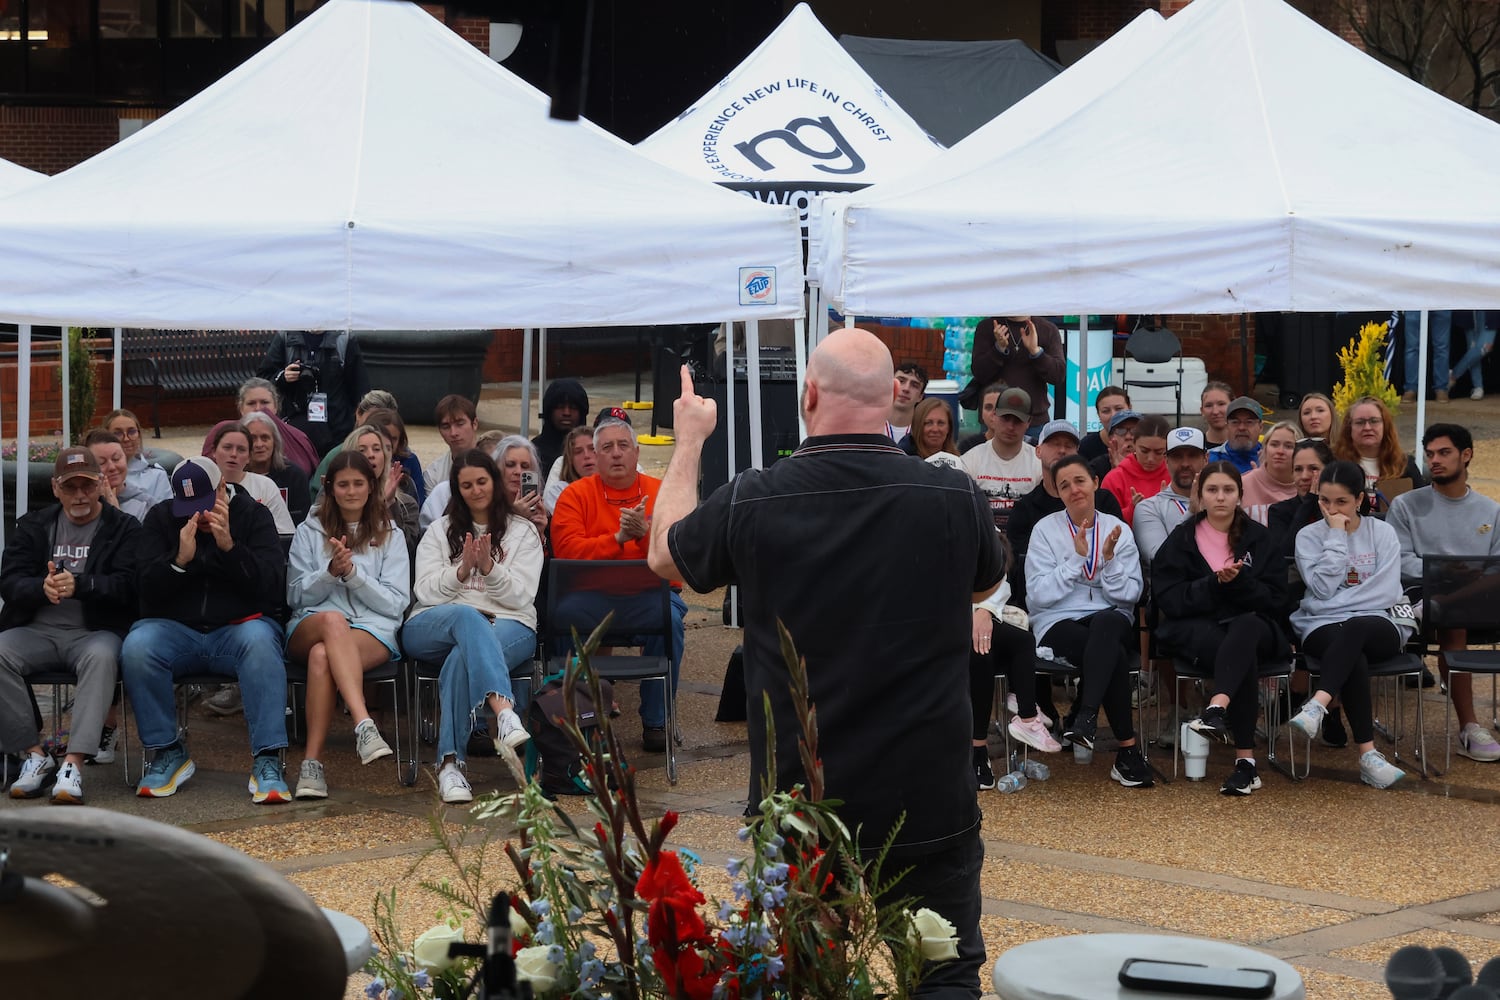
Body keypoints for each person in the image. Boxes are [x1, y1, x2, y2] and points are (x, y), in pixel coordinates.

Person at [648, 331, 1005, 999]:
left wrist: (691, 439)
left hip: (803, 796)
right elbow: (984, 582)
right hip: (926, 790)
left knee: (807, 979)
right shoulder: (951, 496)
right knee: (944, 976)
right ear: (894, 402)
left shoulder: (755, 497)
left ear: (808, 395)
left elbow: (667, 558)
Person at [123, 457, 290, 802]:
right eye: (188, 507)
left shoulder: (253, 515)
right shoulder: (161, 518)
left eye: (204, 503)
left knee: (261, 643)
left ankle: (267, 759)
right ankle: (168, 751)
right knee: (138, 645)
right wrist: (178, 562)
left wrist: (230, 548)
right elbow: (142, 590)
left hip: (237, 629)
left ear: (221, 489)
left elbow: (272, 587)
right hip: (175, 630)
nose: (196, 516)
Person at [0, 449, 140, 804]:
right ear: (55, 488)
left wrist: (83, 585)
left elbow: (131, 585)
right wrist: (39, 588)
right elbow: (9, 580)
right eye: (71, 487)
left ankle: (73, 764)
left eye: (87, 486)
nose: (79, 495)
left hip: (94, 633)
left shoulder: (123, 528)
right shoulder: (34, 525)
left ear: (101, 484)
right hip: (38, 631)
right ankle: (35, 755)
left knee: (102, 657)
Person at [403, 450, 542, 804]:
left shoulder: (523, 531)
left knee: (459, 660)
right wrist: (461, 571)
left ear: (494, 482)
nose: (476, 490)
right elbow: (425, 591)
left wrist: (490, 569)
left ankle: (450, 765)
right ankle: (504, 714)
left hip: (510, 624)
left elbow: (522, 596)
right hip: (438, 622)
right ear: (457, 489)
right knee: (467, 617)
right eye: (466, 485)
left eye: (482, 481)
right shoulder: (439, 531)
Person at [552, 417, 686, 753]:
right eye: (607, 448)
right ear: (595, 457)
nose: (615, 454)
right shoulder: (575, 495)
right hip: (589, 598)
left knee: (671, 622)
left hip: (649, 596)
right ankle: (577, 717)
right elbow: (568, 552)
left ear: (636, 452)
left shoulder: (661, 492)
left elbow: (678, 556)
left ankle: (656, 722)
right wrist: (618, 539)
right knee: (559, 620)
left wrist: (642, 536)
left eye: (623, 446)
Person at [1155, 463, 1289, 796]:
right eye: (1212, 490)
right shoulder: (1181, 539)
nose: (1220, 497)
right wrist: (1212, 584)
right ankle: (1246, 763)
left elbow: (1277, 599)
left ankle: (1216, 708)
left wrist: (1241, 583)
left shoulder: (1260, 538)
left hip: (1258, 627)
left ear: (1240, 496)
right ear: (1199, 496)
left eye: (1228, 490)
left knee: (1244, 629)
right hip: (1200, 630)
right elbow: (1169, 598)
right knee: (1240, 655)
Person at [285, 452, 410, 799]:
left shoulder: (391, 534)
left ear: (371, 487)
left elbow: (396, 603)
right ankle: (362, 722)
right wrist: (329, 574)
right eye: (343, 484)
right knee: (332, 621)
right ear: (330, 488)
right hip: (310, 623)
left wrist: (353, 576)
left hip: (372, 629)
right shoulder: (308, 531)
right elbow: (295, 596)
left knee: (323, 657)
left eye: (359, 483)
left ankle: (312, 765)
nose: (351, 491)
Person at [1024, 454, 1150, 787]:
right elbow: (1037, 595)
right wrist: (1076, 560)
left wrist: (1107, 563)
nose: (1074, 490)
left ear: (1095, 482)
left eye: (1079, 481)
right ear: (1057, 493)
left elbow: (1130, 595)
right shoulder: (1045, 530)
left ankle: (1086, 716)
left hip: (1109, 618)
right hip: (1058, 621)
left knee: (1108, 626)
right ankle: (1126, 753)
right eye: (1064, 485)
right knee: (1113, 656)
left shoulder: (1117, 528)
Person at [1287, 461, 1411, 789]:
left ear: (1359, 499)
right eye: (1324, 501)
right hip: (1322, 625)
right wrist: (1337, 537)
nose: (1331, 509)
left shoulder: (1382, 532)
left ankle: (1318, 703)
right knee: (1352, 652)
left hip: (1379, 622)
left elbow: (1385, 591)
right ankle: (1368, 755)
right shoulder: (1308, 537)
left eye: (1341, 502)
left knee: (1354, 627)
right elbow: (1322, 589)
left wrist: (1344, 607)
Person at [1387, 423, 1500, 762]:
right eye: (1430, 454)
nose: (1434, 460)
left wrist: (1468, 576)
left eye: (1444, 453)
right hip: (1424, 593)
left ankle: (1445, 603)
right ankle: (1469, 726)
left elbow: (1497, 564)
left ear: (1466, 455)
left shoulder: (1491, 510)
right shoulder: (1406, 505)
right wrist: (1445, 571)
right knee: (1454, 622)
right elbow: (1398, 559)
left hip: (1480, 594)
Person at [1007, 420, 1123, 619]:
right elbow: (1024, 571)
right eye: (1053, 444)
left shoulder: (1102, 500)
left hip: (1105, 605)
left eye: (1068, 445)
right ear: (1038, 451)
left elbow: (1121, 552)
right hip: (1051, 610)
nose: (1061, 450)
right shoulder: (1024, 509)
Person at [971, 560, 1061, 789]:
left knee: (1022, 640)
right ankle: (977, 750)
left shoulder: (982, 528)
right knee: (982, 653)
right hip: (942, 620)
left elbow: (1001, 581)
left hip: (980, 614)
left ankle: (1027, 716)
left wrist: (985, 610)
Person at [258, 329, 371, 456]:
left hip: (337, 428)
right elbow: (263, 381)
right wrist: (283, 377)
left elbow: (359, 387)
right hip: (295, 430)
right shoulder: (286, 337)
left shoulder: (343, 339)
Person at [959, 385, 1042, 534]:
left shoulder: (1039, 463)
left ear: (1029, 422)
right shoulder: (970, 460)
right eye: (1006, 418)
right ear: (994, 416)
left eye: (1018, 420)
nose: (1011, 426)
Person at [969, 315, 1065, 433]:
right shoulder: (988, 327)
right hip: (995, 418)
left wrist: (1036, 352)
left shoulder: (1047, 329)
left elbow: (1058, 375)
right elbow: (979, 373)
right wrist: (999, 349)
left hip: (1033, 420)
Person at [205, 377, 319, 476]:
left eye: (264, 402)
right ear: (241, 408)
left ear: (276, 406)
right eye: (251, 403)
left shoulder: (297, 437)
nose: (258, 408)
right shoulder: (223, 432)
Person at [1331, 395, 1425, 510]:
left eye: (1374, 421)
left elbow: (1422, 507)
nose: (1367, 427)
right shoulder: (1334, 463)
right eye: (1360, 422)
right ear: (1349, 428)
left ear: (1385, 426)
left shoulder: (1404, 465)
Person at [346, 423, 421, 564]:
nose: (371, 455)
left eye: (376, 449)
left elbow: (407, 549)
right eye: (362, 450)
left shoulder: (406, 503)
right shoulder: (333, 495)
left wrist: (388, 504)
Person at [205, 421, 296, 535]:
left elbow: (285, 534)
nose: (233, 454)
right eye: (227, 447)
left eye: (241, 449)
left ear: (249, 457)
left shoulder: (265, 486)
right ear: (214, 451)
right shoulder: (201, 483)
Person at [1133, 427, 1207, 565]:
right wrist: (1191, 513)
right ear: (1166, 460)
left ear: (1206, 459)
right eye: (1177, 456)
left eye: (1192, 456)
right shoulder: (1149, 508)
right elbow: (1157, 559)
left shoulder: (1220, 501)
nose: (1185, 464)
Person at [242, 411, 312, 528]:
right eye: (252, 438)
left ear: (275, 442)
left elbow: (303, 522)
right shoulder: (235, 476)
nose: (259, 444)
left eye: (265, 438)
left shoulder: (295, 476)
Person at [1101, 413, 1171, 526]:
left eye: (1159, 452)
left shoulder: (1174, 475)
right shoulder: (1115, 479)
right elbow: (1105, 524)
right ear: (1134, 444)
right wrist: (1132, 510)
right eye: (1144, 451)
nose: (1150, 459)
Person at [83, 428, 154, 522]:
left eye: (116, 458)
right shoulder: (79, 503)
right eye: (101, 462)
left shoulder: (146, 505)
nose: (112, 467)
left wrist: (115, 515)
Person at [105, 408, 172, 507]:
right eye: (118, 433)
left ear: (139, 435)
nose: (126, 438)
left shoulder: (157, 475)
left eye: (131, 432)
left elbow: (166, 517)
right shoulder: (99, 475)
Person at [1240, 421, 1300, 522]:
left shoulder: (1306, 488)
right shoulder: (1242, 485)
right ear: (1265, 449)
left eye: (1289, 446)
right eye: (1274, 444)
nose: (1280, 451)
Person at [531, 378, 589, 483]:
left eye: (573, 407)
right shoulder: (534, 451)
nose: (566, 412)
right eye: (560, 407)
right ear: (549, 411)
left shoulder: (592, 450)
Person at [424, 394, 480, 495]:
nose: (453, 433)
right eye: (446, 426)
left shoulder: (497, 461)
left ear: (474, 424)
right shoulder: (434, 474)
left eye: (460, 424)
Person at [1401, 310, 1453, 404]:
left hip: (1441, 300)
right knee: (1412, 347)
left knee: (1442, 347)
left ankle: (1441, 389)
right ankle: (1411, 389)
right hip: (1415, 300)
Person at [543, 426, 595, 514]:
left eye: (592, 449)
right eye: (578, 452)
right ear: (570, 460)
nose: (586, 455)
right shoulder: (560, 491)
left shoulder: (617, 486)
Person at [1447, 311, 1495, 401]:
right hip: (1470, 309)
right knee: (1472, 347)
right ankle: (1478, 386)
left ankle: (1453, 375)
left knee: (1485, 347)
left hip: (1491, 308)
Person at [1207, 397, 1263, 473]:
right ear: (1227, 426)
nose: (1241, 427)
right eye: (1235, 422)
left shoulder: (1272, 459)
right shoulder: (1209, 459)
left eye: (1249, 422)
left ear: (1261, 427)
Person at [1079, 387, 1131, 463]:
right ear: (1098, 415)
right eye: (1106, 411)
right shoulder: (1087, 445)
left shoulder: (1142, 440)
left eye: (1119, 409)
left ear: (1130, 408)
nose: (1113, 415)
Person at [1088, 409, 1140, 482]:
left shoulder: (1152, 463)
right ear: (1111, 437)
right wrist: (1116, 473)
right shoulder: (1097, 467)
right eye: (1121, 431)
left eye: (1135, 430)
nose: (1128, 437)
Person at [902, 397, 960, 461]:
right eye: (928, 423)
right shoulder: (903, 459)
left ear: (949, 427)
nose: (935, 429)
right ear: (917, 426)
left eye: (941, 423)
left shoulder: (957, 460)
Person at [887, 362, 928, 443]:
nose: (906, 389)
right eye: (901, 381)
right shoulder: (871, 426)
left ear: (920, 397)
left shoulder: (924, 433)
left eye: (914, 385)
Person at [1199, 382, 1233, 451]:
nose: (1215, 411)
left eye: (1221, 404)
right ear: (1202, 411)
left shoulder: (1246, 446)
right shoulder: (1196, 447)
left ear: (1233, 406)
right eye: (1208, 405)